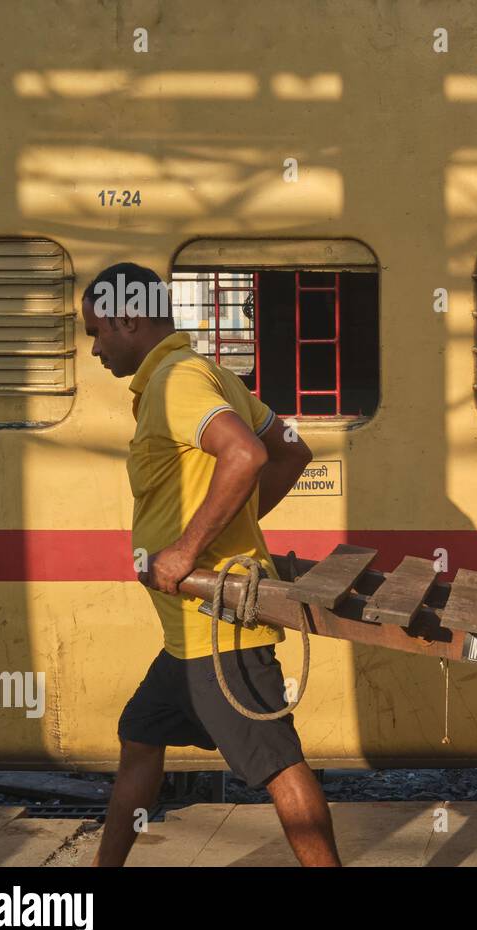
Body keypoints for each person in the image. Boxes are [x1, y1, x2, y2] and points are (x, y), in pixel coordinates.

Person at [82, 262, 340, 866]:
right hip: (186, 638)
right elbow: (291, 449)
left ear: (129, 319)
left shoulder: (178, 382)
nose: (94, 348)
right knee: (140, 735)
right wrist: (228, 524)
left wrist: (187, 549)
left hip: (216, 630)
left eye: (97, 331)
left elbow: (247, 454)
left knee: (279, 766)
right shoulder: (207, 374)